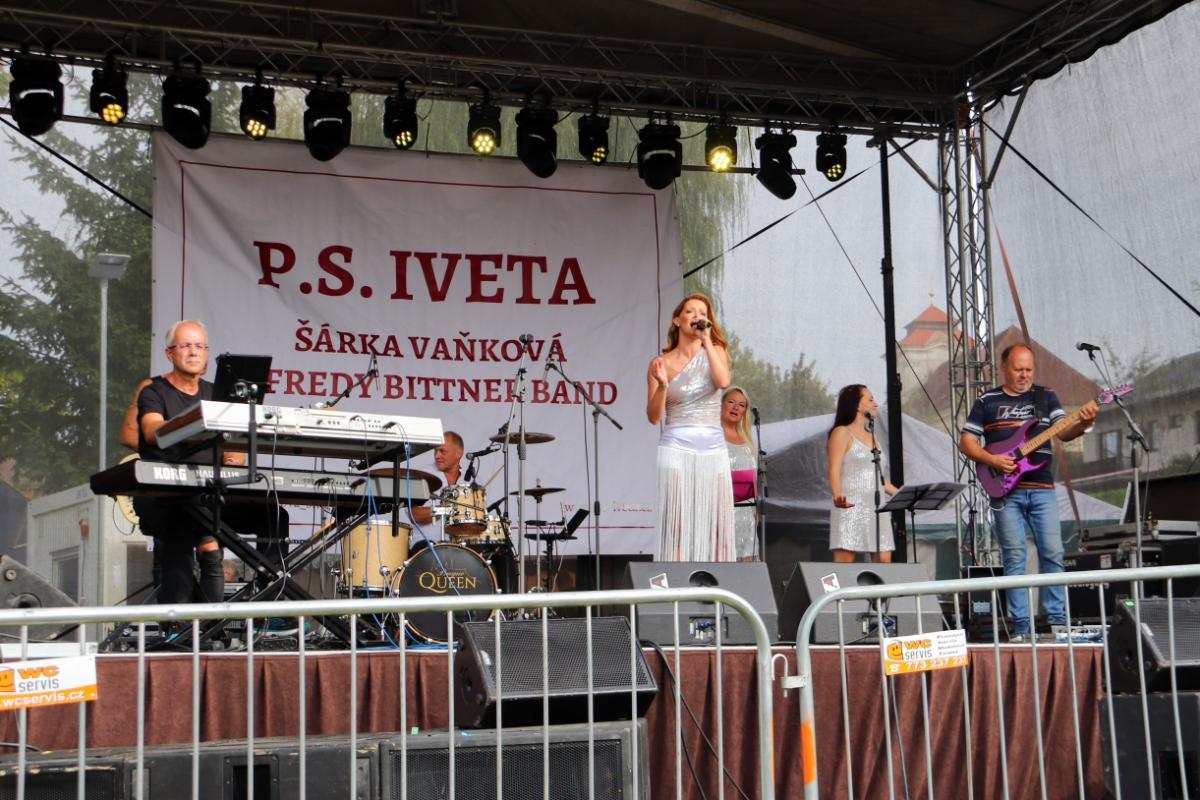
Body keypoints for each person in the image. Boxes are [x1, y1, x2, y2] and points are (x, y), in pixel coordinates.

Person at [134, 320, 288, 606]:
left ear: (206, 354)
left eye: (199, 346)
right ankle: (180, 621)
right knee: (192, 527)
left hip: (212, 495)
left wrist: (234, 454)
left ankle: (270, 595)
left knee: (273, 515)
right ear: (170, 353)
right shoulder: (154, 392)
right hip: (170, 497)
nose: (193, 351)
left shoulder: (217, 395)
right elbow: (152, 431)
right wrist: (196, 424)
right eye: (185, 345)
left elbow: (235, 448)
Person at [958, 343, 1097, 640]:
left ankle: (1057, 623)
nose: (1024, 375)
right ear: (1003, 368)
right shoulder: (987, 400)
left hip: (1042, 487)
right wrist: (992, 460)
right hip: (1005, 491)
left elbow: (1064, 431)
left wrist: (1084, 421)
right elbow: (967, 441)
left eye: (1029, 369)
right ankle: (1021, 627)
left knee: (1053, 552)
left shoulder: (1045, 396)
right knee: (1014, 556)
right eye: (1018, 369)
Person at [647, 292, 734, 561]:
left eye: (703, 313)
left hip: (713, 446)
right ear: (677, 320)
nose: (697, 316)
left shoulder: (716, 352)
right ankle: (675, 580)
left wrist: (707, 341)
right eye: (691, 311)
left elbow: (723, 382)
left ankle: (718, 582)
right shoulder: (660, 363)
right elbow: (653, 416)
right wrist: (663, 385)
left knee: (718, 523)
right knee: (677, 524)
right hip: (676, 445)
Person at [827, 384, 899, 563]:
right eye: (871, 399)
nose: (876, 404)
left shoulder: (873, 436)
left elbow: (879, 478)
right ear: (857, 405)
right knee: (845, 561)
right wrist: (837, 496)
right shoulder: (841, 433)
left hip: (877, 507)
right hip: (850, 505)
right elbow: (833, 469)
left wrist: (903, 495)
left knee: (884, 559)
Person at [721, 387, 758, 561]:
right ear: (721, 405)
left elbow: (749, 477)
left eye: (741, 405)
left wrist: (754, 510)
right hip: (721, 506)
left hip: (744, 508)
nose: (736, 407)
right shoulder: (713, 436)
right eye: (731, 402)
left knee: (746, 559)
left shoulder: (747, 439)